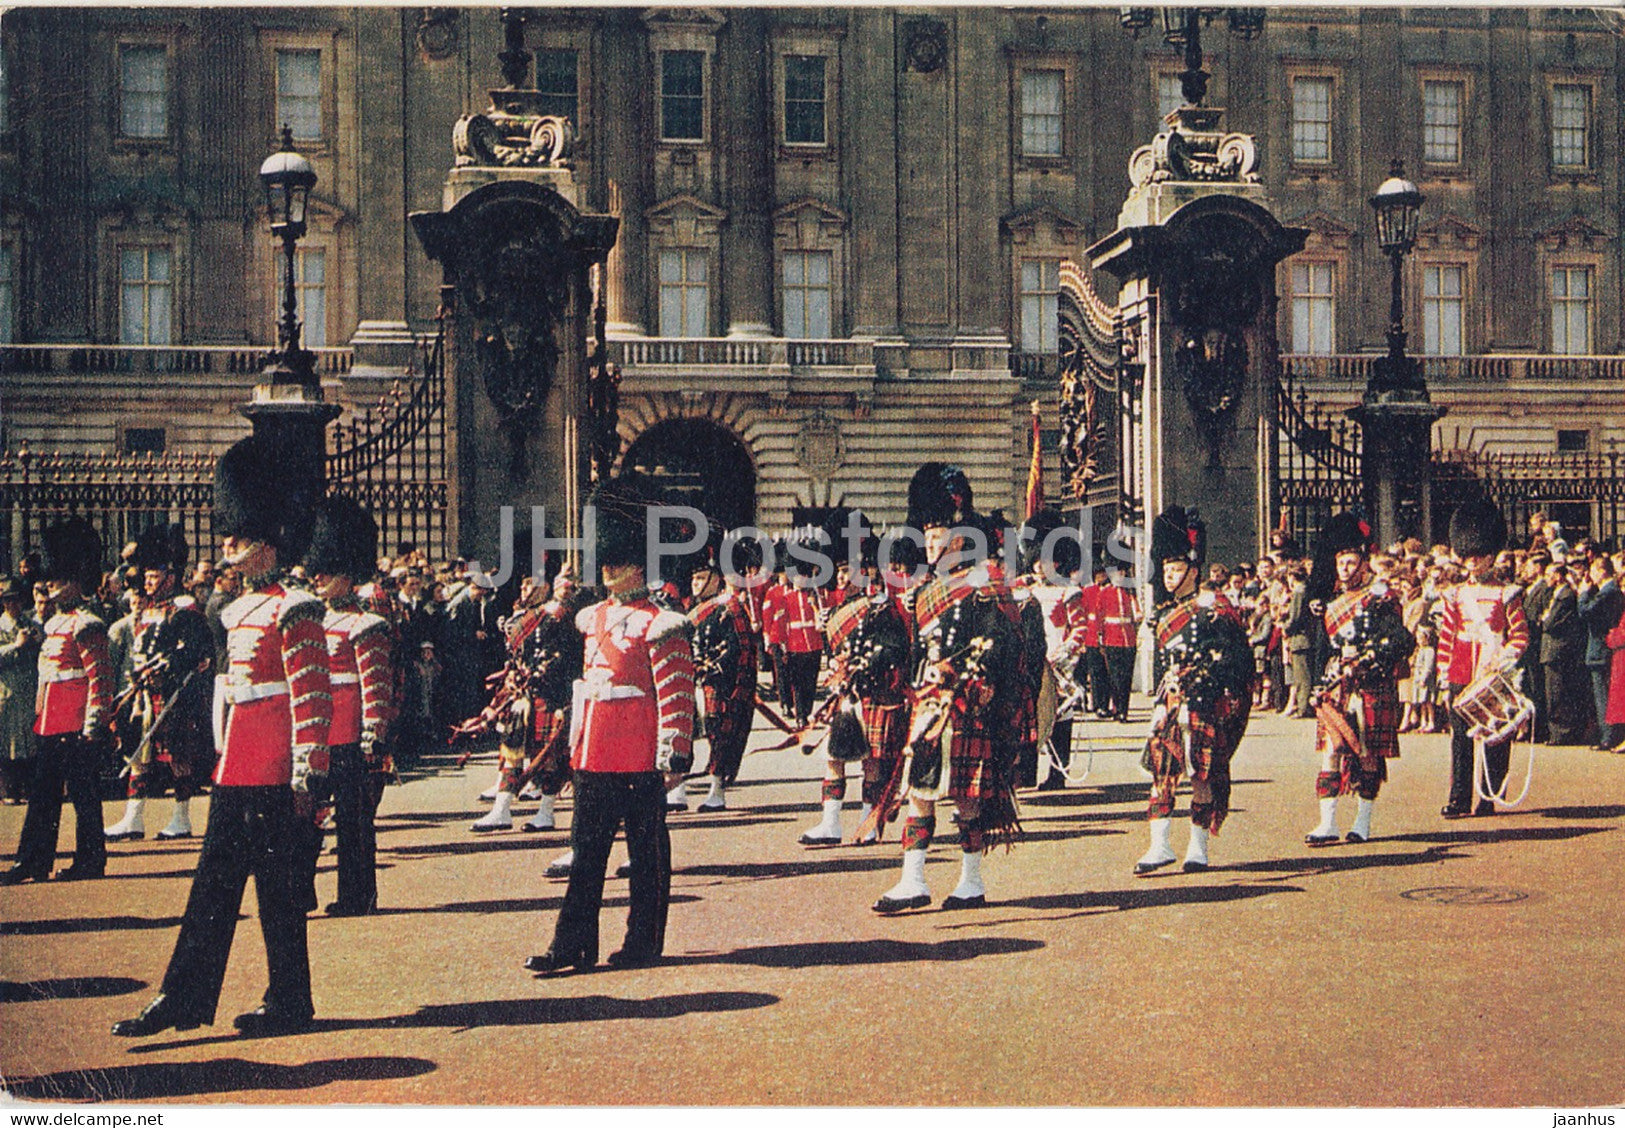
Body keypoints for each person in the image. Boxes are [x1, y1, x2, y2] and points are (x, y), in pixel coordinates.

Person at [113, 435, 331, 1037]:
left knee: (280, 893)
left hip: (276, 767)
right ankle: (183, 997)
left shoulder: (298, 608)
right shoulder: (235, 610)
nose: (228, 543)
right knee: (213, 886)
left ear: (268, 539)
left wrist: (309, 774)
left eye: (239, 535)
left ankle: (290, 999)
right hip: (237, 763)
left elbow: (311, 697)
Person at [524, 474, 697, 974]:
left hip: (640, 753)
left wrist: (675, 751)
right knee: (585, 857)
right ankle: (571, 945)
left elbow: (675, 692)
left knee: (646, 860)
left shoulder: (660, 621)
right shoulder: (591, 617)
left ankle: (643, 942)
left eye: (616, 561)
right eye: (606, 561)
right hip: (594, 752)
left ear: (639, 563)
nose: (607, 570)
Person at [872, 464, 1030, 913]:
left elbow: (1006, 646)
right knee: (917, 792)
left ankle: (971, 881)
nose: (932, 541)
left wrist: (973, 679)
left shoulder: (986, 582)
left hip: (968, 706)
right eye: (927, 531)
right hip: (928, 706)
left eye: (939, 531)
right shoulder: (925, 590)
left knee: (968, 798)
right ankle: (912, 880)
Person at [1135, 506, 1254, 875]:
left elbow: (1237, 658)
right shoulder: (1164, 614)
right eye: (1166, 571)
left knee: (1201, 777)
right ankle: (1159, 845)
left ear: (1193, 570)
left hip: (1203, 703)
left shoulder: (1214, 607)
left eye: (1175, 570)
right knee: (1162, 774)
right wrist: (1159, 699)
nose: (1169, 578)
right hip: (1171, 703)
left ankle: (1198, 849)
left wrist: (1213, 684)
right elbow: (1161, 665)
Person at [2, 519, 113, 884]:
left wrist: (95, 723)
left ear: (77, 582)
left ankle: (91, 859)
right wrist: (39, 711)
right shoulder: (52, 624)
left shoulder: (87, 623)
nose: (51, 586)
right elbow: (46, 675)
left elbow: (100, 678)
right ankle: (33, 859)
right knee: (43, 795)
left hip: (76, 718)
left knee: (83, 794)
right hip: (51, 716)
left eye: (59, 579)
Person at [301, 495, 393, 915]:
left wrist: (373, 733)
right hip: (317, 733)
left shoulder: (364, 624)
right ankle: (301, 891)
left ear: (348, 574)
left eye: (328, 571)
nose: (318, 578)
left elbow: (375, 683)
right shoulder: (311, 621)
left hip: (349, 734)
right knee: (306, 816)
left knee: (354, 824)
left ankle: (358, 895)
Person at [1302, 513, 1414, 847]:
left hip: (1370, 683)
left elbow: (1401, 641)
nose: (1345, 569)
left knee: (1367, 754)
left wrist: (1370, 659)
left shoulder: (1380, 598)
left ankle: (1362, 822)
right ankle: (1327, 823)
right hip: (1339, 684)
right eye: (1341, 563)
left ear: (1364, 564)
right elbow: (1324, 649)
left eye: (1351, 562)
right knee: (1331, 750)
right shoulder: (1333, 603)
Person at [801, 536, 915, 844]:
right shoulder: (837, 609)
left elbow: (897, 648)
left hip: (875, 692)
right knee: (833, 757)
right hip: (847, 695)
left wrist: (864, 664)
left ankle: (869, 822)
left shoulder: (884, 608)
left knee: (872, 763)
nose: (842, 576)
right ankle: (830, 823)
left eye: (849, 569)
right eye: (841, 570)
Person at [104, 525, 214, 843]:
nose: (149, 583)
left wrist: (172, 665)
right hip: (144, 695)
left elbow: (197, 651)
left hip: (175, 696)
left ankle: (181, 819)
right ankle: (133, 818)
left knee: (179, 757)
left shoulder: (185, 607)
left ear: (170, 577)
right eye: (147, 577)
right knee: (139, 756)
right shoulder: (148, 608)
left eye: (155, 577)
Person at [1437, 501, 1528, 818]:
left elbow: (1519, 637)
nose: (1472, 562)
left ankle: (1489, 794)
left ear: (1491, 555)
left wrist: (1502, 661)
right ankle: (1458, 798)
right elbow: (1447, 638)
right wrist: (1443, 675)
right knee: (1460, 740)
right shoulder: (1456, 594)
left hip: (1493, 673)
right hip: (1461, 672)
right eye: (1468, 556)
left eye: (1478, 556)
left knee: (1495, 736)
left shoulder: (1507, 594)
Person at [688, 538, 759, 813]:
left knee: (719, 737)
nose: (695, 583)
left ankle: (717, 790)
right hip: (695, 681)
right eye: (693, 578)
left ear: (715, 579)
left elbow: (739, 650)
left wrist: (717, 672)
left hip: (718, 683)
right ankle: (678, 791)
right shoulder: (696, 609)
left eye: (701, 578)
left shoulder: (729, 608)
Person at [0, 576, 42, 804]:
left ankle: (27, 789)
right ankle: (9, 790)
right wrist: (14, 647)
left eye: (16, 600)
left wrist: (36, 641)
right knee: (7, 743)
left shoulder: (31, 624)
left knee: (29, 742)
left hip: (28, 692)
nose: (13, 605)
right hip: (6, 693)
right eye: (8, 601)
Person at [1539, 561, 1587, 746]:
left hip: (1557, 650)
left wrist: (1544, 619)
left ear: (1558, 576)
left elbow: (1549, 623)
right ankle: (1557, 732)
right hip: (1551, 649)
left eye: (1549, 574)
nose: (1546, 578)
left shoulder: (1565, 596)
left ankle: (1561, 732)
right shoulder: (1555, 594)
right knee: (1553, 692)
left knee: (1558, 693)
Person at [1577, 555, 1621, 750]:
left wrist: (1583, 594)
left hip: (1601, 648)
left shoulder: (1608, 592)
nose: (1591, 576)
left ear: (1602, 571)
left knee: (1603, 696)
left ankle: (1607, 736)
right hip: (1604, 648)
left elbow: (1586, 612)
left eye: (1594, 571)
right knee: (1603, 695)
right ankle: (1607, 734)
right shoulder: (1610, 591)